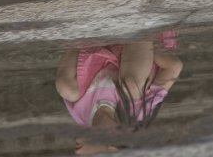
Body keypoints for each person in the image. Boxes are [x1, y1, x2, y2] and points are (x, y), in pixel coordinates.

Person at [55, 31, 183, 154]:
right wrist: (150, 52)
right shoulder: (139, 110)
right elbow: (174, 66)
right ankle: (141, 28)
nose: (77, 152)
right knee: (132, 89)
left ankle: (81, 32)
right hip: (141, 42)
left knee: (67, 89)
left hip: (95, 44)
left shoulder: (80, 113)